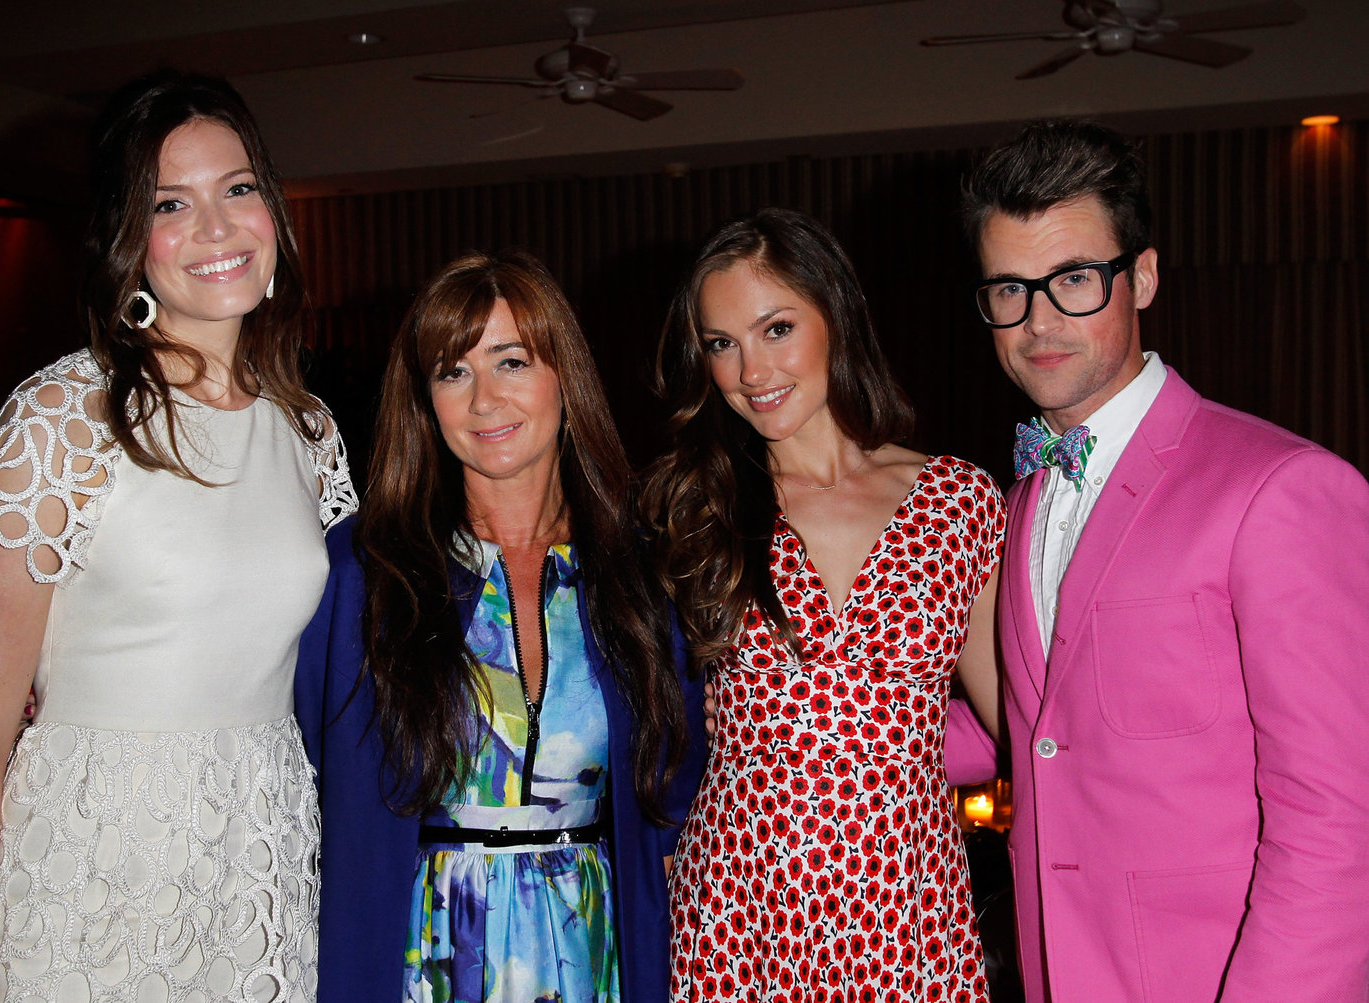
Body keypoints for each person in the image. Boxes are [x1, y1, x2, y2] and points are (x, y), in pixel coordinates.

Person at [0, 72, 357, 1002]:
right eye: (171, 203)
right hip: (88, 887)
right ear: (128, 242)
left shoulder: (311, 432)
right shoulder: (59, 421)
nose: (216, 226)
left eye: (238, 188)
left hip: (259, 880)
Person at [959, 119, 1369, 1001]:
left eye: (1073, 279)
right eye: (1008, 289)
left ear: (1141, 276)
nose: (1037, 322)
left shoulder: (1282, 489)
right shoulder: (1022, 499)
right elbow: (1041, 734)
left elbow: (1340, 824)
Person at [295, 249, 704, 1002]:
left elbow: (676, 800)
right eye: (452, 372)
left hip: (594, 954)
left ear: (564, 380)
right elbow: (309, 781)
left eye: (510, 361)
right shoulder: (364, 572)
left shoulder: (639, 575)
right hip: (421, 961)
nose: (484, 399)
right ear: (425, 400)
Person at [644, 208, 1003, 1001]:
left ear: (835, 315)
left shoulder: (958, 500)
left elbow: (1022, 722)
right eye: (721, 343)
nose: (750, 370)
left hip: (908, 913)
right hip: (736, 919)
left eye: (776, 329)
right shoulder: (688, 508)